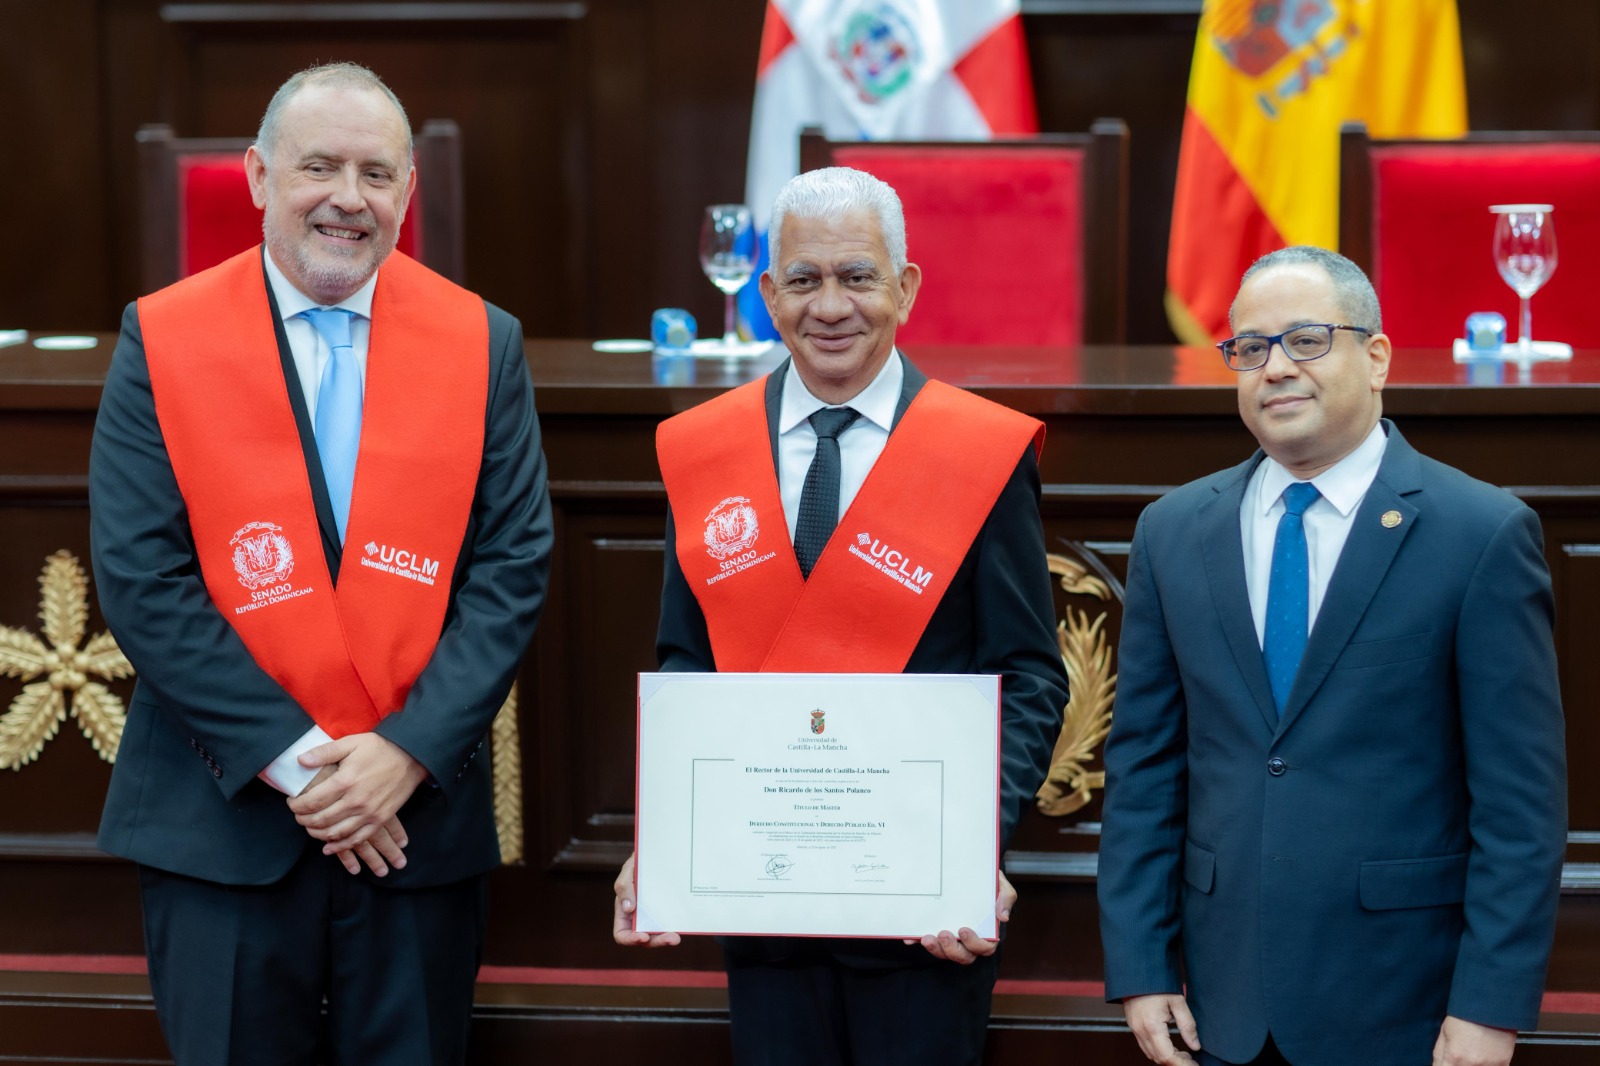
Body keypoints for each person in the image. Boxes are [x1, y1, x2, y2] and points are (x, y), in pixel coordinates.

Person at [89, 62, 552, 1065]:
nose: (349, 198)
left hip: (412, 828)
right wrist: (310, 769)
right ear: (257, 176)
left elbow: (512, 566)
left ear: (407, 192)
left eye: (376, 173)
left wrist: (405, 753)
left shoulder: (484, 342)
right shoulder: (161, 337)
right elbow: (140, 575)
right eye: (320, 167)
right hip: (223, 831)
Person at [610, 167, 1069, 1065]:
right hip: (762, 898)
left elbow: (1031, 675)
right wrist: (664, 839)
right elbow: (684, 664)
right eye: (805, 280)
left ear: (905, 287)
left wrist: (966, 849)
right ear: (768, 293)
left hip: (922, 916)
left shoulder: (978, 452)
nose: (831, 306)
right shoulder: (704, 450)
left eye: (857, 276)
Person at [1097, 246, 1567, 1066]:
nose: (1275, 368)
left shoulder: (1479, 533)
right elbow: (1144, 768)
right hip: (1217, 1006)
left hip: (1403, 1005)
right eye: (1250, 348)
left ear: (1377, 357)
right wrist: (1140, 966)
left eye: (1306, 340)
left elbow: (1520, 806)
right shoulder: (1173, 532)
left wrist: (1491, 1004)